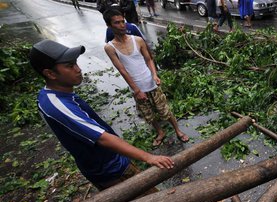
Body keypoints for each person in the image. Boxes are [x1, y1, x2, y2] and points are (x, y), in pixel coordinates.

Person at [29, 39, 174, 190]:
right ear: (50, 73)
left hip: (110, 161)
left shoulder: (54, 94)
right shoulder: (57, 105)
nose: (78, 69)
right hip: (111, 170)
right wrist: (149, 157)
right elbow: (102, 138)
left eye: (76, 63)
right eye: (70, 66)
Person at [103, 9, 190, 147]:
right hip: (137, 88)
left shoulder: (137, 40)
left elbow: (149, 59)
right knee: (148, 115)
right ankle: (160, 132)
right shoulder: (110, 47)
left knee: (165, 110)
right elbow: (122, 70)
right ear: (109, 26)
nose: (122, 25)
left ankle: (178, 130)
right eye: (117, 23)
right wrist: (137, 90)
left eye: (122, 21)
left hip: (151, 83)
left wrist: (154, 75)